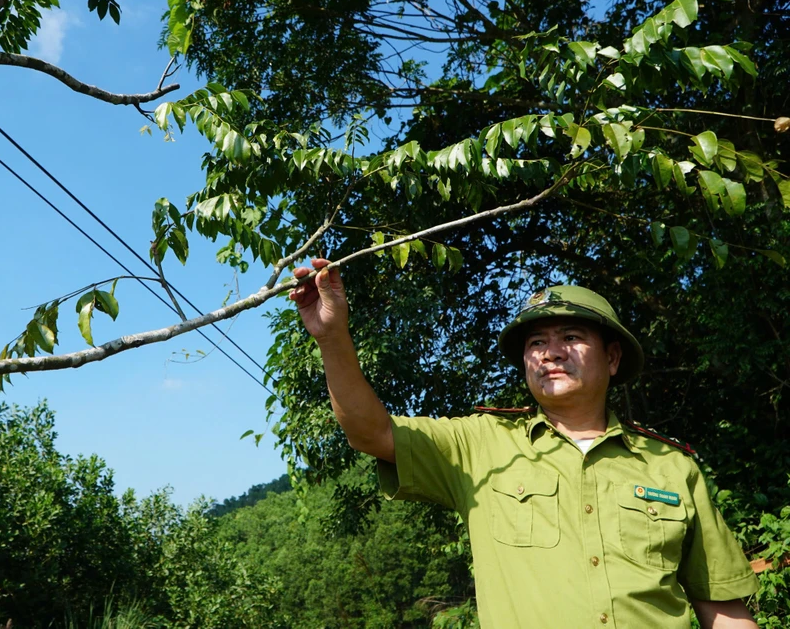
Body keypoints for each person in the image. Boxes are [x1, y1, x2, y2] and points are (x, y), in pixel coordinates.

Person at [290, 258, 760, 629]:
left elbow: (722, 610)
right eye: (536, 342)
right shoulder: (480, 446)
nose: (551, 352)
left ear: (612, 357)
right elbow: (370, 432)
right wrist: (332, 336)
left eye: (571, 337)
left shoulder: (671, 467)